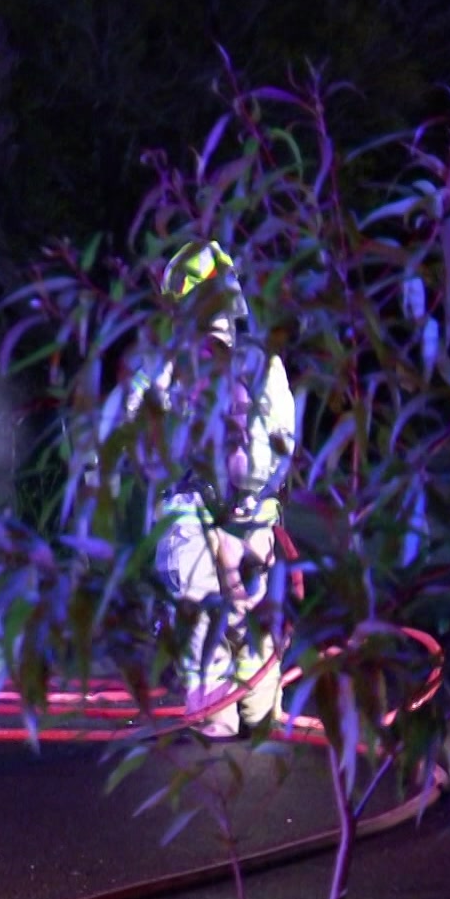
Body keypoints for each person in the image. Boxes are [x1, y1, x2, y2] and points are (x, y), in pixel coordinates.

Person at [126, 239, 297, 739]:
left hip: (200, 520)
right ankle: (258, 710)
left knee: (205, 611)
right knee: (255, 620)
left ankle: (219, 710)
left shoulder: (173, 365)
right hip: (256, 523)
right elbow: (284, 445)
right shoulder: (265, 364)